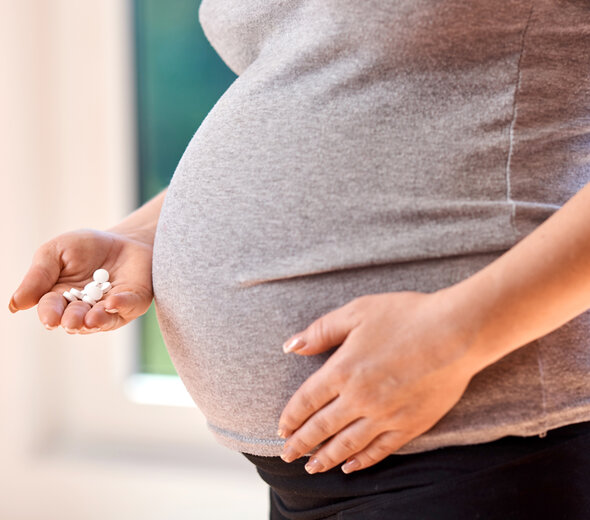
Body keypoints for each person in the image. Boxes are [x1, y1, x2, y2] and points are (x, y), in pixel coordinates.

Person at [9, 0, 590, 517]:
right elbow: (325, 85)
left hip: (488, 439)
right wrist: (144, 232)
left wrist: (461, 334)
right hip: (324, 468)